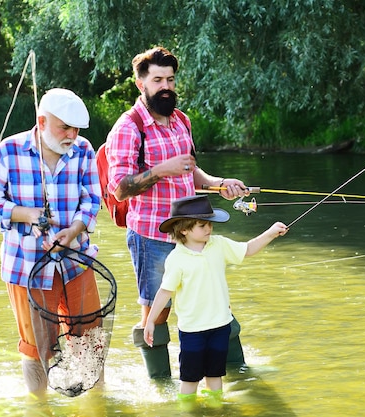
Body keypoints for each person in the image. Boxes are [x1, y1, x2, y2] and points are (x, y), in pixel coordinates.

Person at [105, 46, 250, 378]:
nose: (165, 86)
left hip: (192, 233)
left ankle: (238, 375)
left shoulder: (180, 119)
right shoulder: (129, 127)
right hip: (152, 236)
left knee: (215, 302)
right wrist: (160, 170)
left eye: (170, 79)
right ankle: (161, 384)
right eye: (157, 80)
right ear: (141, 82)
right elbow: (119, 188)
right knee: (157, 314)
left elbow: (191, 172)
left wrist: (219, 183)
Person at [0, 88, 102, 396]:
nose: (71, 135)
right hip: (26, 266)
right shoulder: (9, 150)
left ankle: (97, 404)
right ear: (42, 120)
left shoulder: (84, 149)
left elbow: (92, 200)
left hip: (76, 261)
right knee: (36, 348)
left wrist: (74, 230)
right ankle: (39, 406)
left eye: (76, 129)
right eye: (64, 127)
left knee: (90, 341)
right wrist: (26, 214)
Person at [144, 195, 288, 403]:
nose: (208, 229)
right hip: (192, 330)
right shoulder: (176, 259)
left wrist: (271, 233)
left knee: (215, 375)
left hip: (221, 325)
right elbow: (165, 292)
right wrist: (150, 321)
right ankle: (188, 411)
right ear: (184, 229)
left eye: (210, 224)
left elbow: (247, 250)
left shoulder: (218, 245)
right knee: (190, 379)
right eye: (202, 225)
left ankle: (216, 408)